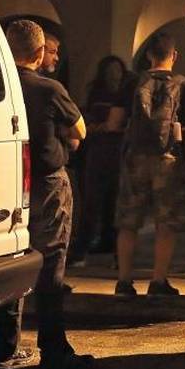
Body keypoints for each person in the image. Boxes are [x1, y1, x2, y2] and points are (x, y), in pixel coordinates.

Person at [0, 20, 93, 369]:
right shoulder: (48, 89)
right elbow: (80, 129)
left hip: (5, 182)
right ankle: (53, 349)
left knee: (12, 260)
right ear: (38, 52)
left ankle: (4, 347)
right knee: (51, 264)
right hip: (46, 184)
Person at [110, 31, 185, 297]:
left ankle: (124, 281)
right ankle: (158, 280)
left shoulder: (131, 83)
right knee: (167, 223)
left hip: (135, 159)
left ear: (149, 55)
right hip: (169, 160)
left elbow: (114, 122)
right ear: (174, 55)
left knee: (128, 222)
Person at [68, 55, 128, 262]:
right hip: (97, 150)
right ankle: (83, 246)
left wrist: (108, 127)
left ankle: (108, 240)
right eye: (110, 71)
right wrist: (96, 127)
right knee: (92, 200)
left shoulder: (125, 95)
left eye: (117, 70)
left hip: (117, 151)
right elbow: (87, 119)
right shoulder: (96, 94)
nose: (114, 75)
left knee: (114, 199)